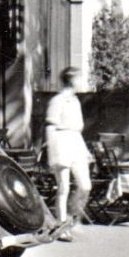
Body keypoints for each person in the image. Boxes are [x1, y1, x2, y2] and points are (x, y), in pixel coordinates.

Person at [44, 66, 91, 240]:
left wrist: (84, 149)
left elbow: (77, 130)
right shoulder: (57, 101)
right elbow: (50, 127)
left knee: (85, 185)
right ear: (71, 80)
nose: (81, 82)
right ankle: (62, 226)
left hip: (76, 143)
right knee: (63, 187)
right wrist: (52, 154)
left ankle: (72, 218)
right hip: (61, 143)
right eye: (79, 78)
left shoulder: (76, 101)